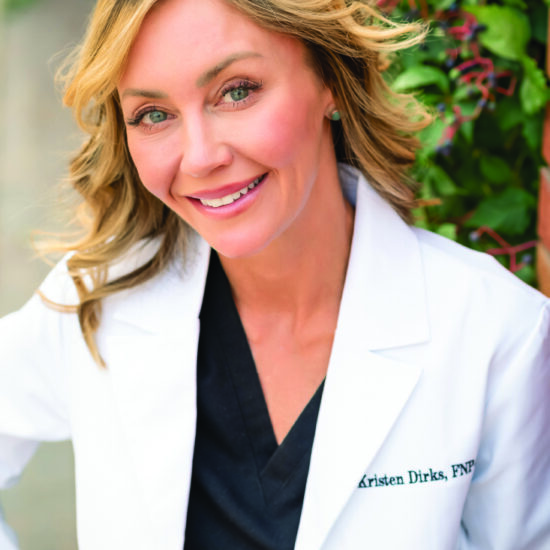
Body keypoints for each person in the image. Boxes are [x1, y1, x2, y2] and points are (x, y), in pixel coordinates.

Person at [1, 0, 549, 548]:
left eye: (237, 91)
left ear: (330, 78)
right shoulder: (96, 304)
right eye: (153, 115)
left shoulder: (500, 333)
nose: (199, 157)